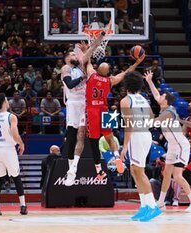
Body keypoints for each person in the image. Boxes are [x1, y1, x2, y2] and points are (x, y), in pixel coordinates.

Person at [144, 71, 191, 212]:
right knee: (166, 174)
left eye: (162, 96)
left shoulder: (169, 112)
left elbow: (155, 122)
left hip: (181, 146)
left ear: (166, 100)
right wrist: (149, 81)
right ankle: (161, 202)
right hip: (172, 146)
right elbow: (156, 94)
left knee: (177, 176)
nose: (159, 97)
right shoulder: (164, 107)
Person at [84, 52, 144, 180]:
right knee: (110, 137)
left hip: (92, 110)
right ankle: (117, 157)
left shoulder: (91, 75)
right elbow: (127, 72)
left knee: (93, 140)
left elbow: (87, 62)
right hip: (104, 110)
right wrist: (137, 63)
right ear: (108, 72)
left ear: (98, 68)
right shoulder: (110, 80)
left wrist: (87, 50)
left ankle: (99, 170)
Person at [61, 34, 106, 186]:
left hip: (83, 103)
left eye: (76, 54)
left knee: (81, 134)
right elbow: (69, 84)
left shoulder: (81, 65)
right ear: (67, 58)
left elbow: (92, 48)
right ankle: (70, 170)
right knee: (72, 137)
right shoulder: (66, 68)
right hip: (72, 103)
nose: (75, 55)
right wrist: (82, 78)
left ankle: (73, 169)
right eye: (72, 54)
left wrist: (102, 35)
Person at [120, 71, 162, 222]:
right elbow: (152, 117)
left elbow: (128, 125)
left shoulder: (125, 101)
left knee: (139, 171)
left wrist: (124, 147)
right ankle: (144, 206)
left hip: (136, 136)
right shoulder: (143, 99)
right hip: (145, 134)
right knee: (135, 170)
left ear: (125, 85)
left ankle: (152, 206)